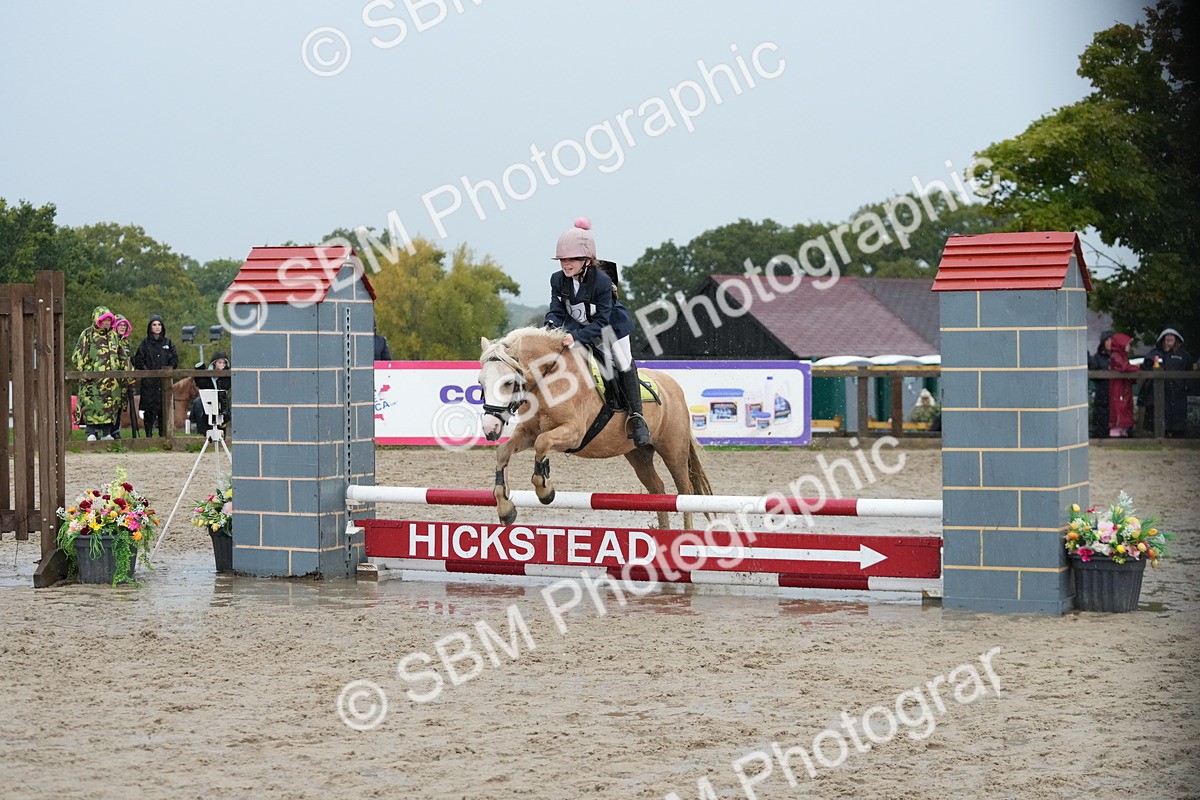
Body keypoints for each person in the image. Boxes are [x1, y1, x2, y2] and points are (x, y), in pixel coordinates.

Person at [543, 217, 650, 447]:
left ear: (587, 260)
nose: (566, 264)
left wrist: (576, 336)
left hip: (612, 327)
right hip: (579, 327)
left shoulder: (601, 282)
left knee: (621, 361)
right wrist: (550, 329)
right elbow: (557, 311)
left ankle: (637, 416)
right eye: (562, 259)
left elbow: (602, 320)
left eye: (572, 258)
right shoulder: (557, 280)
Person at [71, 306, 132, 441]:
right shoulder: (87, 334)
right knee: (91, 405)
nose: (107, 323)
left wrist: (128, 374)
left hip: (112, 382)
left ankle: (106, 432)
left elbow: (123, 357)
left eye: (110, 320)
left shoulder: (114, 336)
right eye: (105, 320)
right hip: (92, 381)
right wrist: (88, 373)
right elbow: (78, 356)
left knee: (110, 406)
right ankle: (91, 432)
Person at [1138, 327, 1193, 437]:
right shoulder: (1154, 353)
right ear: (1162, 338)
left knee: (1178, 422)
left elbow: (1189, 373)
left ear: (1176, 338)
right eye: (1167, 335)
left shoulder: (1184, 355)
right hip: (1159, 395)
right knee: (1158, 420)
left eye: (1172, 335)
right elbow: (1146, 367)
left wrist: (1185, 387)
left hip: (1177, 395)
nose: (1169, 338)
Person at [132, 315, 180, 437]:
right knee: (149, 411)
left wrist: (168, 370)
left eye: (159, 324)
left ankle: (164, 437)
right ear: (150, 327)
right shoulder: (145, 343)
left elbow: (174, 359)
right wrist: (146, 372)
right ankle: (148, 436)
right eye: (154, 324)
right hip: (149, 384)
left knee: (164, 411)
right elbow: (138, 359)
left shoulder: (168, 342)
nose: (157, 327)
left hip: (164, 384)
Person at [190, 351, 232, 436]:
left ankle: (221, 431)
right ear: (214, 363)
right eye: (219, 362)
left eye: (224, 363)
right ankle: (201, 431)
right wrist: (199, 370)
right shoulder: (208, 374)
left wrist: (222, 373)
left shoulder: (227, 375)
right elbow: (201, 384)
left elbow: (226, 386)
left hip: (221, 400)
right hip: (208, 400)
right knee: (198, 403)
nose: (222, 364)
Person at [1107, 333, 1140, 437]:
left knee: (1124, 409)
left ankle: (1122, 433)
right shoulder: (1116, 356)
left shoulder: (1121, 356)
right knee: (1119, 410)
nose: (1129, 347)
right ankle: (1116, 435)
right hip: (1119, 389)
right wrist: (1138, 368)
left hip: (1123, 388)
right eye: (1127, 344)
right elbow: (1124, 367)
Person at [1088, 330, 1114, 438]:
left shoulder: (1118, 356)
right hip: (1102, 392)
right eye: (1106, 340)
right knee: (1100, 414)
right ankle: (1100, 435)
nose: (1109, 342)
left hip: (1116, 393)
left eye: (1111, 340)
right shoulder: (1097, 357)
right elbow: (1093, 370)